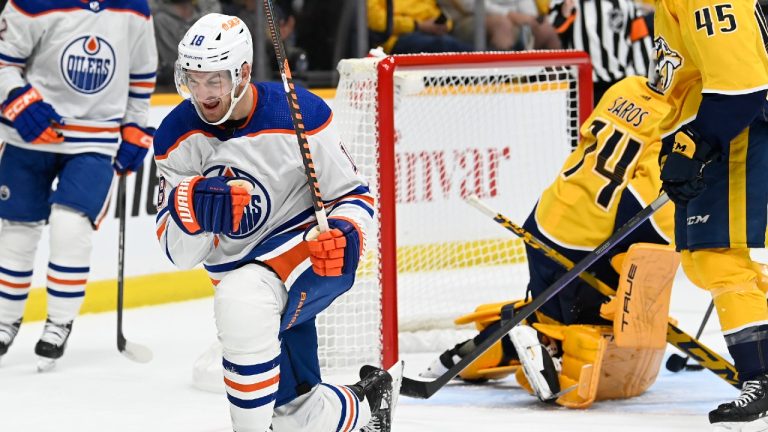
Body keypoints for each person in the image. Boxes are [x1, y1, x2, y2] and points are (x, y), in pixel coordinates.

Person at [153, 13, 401, 432]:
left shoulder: (299, 113)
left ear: (243, 72)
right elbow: (178, 253)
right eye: (193, 80)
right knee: (297, 418)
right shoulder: (175, 136)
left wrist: (346, 234)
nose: (202, 93)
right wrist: (191, 209)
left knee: (242, 299)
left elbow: (353, 195)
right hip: (241, 274)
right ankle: (371, 400)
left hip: (311, 256)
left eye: (214, 80)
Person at [421, 74, 681, 408]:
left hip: (546, 217)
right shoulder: (677, 122)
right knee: (596, 331)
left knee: (550, 311)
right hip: (586, 242)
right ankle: (547, 351)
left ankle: (492, 345)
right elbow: (648, 209)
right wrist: (639, 278)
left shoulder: (626, 88)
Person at [0, 0, 157, 370]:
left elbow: (141, 74)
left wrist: (135, 126)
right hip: (28, 137)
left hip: (95, 141)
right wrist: (18, 100)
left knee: (71, 227)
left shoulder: (134, 8)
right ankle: (4, 320)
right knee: (17, 232)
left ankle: (59, 322)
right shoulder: (30, 1)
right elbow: (4, 62)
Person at [653, 0, 768, 427]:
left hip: (739, 131)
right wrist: (677, 143)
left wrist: (697, 143)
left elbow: (741, 88)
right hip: (722, 129)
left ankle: (760, 375)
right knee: (705, 261)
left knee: (718, 257)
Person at [547, 0, 654, 103]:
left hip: (618, 82)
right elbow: (553, 30)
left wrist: (643, 81)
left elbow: (641, 44)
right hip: (580, 84)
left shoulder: (626, 5)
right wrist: (565, 12)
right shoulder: (569, 3)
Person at [439, 0, 561, 50]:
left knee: (545, 30)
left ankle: (555, 90)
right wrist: (509, 14)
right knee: (502, 25)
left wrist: (531, 18)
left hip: (510, 18)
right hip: (463, 19)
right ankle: (501, 86)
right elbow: (469, 4)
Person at [367, 0, 474, 54]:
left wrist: (446, 25)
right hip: (393, 39)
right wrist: (417, 25)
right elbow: (377, 22)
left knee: (448, 43)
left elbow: (434, 12)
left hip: (430, 33)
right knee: (444, 44)